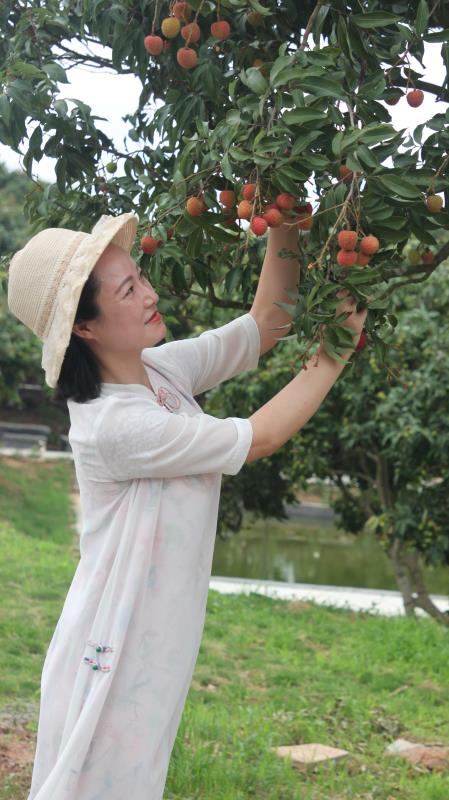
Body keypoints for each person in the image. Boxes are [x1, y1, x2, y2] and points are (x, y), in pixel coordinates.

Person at [6, 211, 367, 800]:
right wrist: (333, 354)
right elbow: (260, 438)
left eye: (140, 278)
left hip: (155, 629)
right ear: (86, 327)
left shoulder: (158, 371)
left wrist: (283, 221)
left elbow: (265, 325)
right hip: (117, 635)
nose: (150, 294)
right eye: (128, 291)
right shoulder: (114, 423)